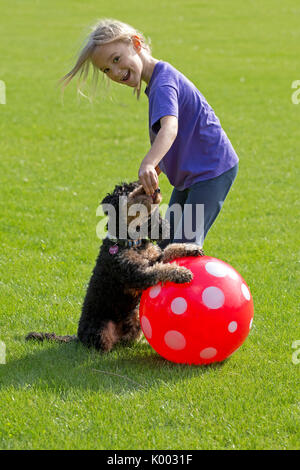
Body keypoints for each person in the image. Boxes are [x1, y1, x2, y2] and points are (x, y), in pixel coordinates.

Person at [60, 18, 239, 247]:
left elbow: (170, 129)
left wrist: (147, 163)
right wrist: (154, 171)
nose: (115, 72)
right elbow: (178, 137)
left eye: (116, 59)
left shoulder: (163, 84)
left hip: (211, 171)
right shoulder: (156, 82)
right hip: (191, 174)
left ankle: (195, 282)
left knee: (183, 246)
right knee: (166, 241)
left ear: (136, 43)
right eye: (106, 69)